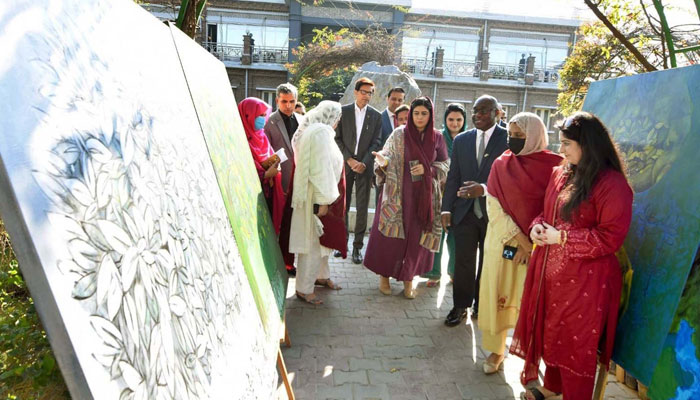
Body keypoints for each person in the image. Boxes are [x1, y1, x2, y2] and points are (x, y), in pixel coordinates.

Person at [510, 112, 633, 400]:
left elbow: (610, 238)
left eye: (567, 144)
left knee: (577, 344)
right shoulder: (562, 173)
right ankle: (553, 386)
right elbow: (547, 212)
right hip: (551, 276)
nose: (561, 150)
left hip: (586, 283)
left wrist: (562, 238)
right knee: (553, 333)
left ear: (588, 144)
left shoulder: (611, 185)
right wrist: (537, 226)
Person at [477, 113, 563, 375]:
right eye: (510, 135)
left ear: (535, 136)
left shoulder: (556, 166)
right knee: (498, 294)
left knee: (537, 303)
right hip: (505, 242)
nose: (512, 140)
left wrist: (533, 243)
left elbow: (557, 207)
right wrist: (521, 241)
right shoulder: (501, 165)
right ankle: (496, 350)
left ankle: (536, 357)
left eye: (519, 136)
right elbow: (494, 205)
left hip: (542, 246)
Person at [364, 97, 450, 299]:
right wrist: (383, 163)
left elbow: (445, 164)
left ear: (430, 116)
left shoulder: (436, 138)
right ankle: (384, 277)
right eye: (416, 113)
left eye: (424, 114)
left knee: (415, 240)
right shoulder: (398, 134)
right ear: (411, 114)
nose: (420, 117)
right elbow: (385, 156)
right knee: (390, 239)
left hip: (423, 199)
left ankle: (409, 279)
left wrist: (428, 169)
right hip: (397, 195)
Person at [441, 95, 508, 327]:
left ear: (498, 113)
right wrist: (445, 209)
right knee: (463, 262)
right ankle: (460, 306)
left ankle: (482, 304)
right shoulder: (462, 140)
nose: (477, 115)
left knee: (489, 263)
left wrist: (485, 190)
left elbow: (512, 180)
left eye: (484, 111)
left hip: (495, 215)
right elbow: (454, 177)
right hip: (464, 213)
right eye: (475, 111)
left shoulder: (509, 139)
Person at [289, 101, 347, 304]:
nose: (338, 122)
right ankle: (304, 288)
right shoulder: (320, 132)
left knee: (323, 239)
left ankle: (321, 276)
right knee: (313, 241)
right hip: (318, 194)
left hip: (321, 192)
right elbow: (320, 167)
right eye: (337, 117)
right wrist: (323, 201)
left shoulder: (314, 130)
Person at [334, 77, 383, 264]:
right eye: (363, 92)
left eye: (370, 93)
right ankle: (342, 244)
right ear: (355, 92)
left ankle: (357, 248)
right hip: (345, 164)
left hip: (365, 166)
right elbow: (336, 138)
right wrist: (349, 159)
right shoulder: (343, 112)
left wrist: (363, 162)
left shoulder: (376, 116)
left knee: (362, 207)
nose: (366, 96)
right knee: (343, 206)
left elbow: (377, 142)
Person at [422, 103, 466, 287]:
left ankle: (455, 272)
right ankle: (434, 272)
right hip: (438, 191)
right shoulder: (436, 137)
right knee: (437, 232)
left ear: (464, 121)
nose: (454, 123)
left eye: (458, 120)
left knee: (456, 235)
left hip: (461, 194)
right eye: (451, 119)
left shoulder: (468, 139)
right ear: (445, 120)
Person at [265, 83, 304, 275]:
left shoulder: (302, 120)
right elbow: (266, 152)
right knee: (279, 224)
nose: (288, 105)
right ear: (277, 100)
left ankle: (289, 262)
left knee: (293, 226)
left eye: (292, 101)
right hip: (279, 180)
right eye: (284, 101)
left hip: (300, 179)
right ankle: (278, 263)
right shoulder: (269, 122)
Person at [238, 97, 284, 233]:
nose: (263, 119)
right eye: (260, 115)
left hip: (267, 194)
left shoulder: (261, 136)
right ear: (248, 115)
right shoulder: (241, 139)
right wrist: (264, 174)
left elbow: (269, 155)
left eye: (265, 115)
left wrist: (275, 166)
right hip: (248, 200)